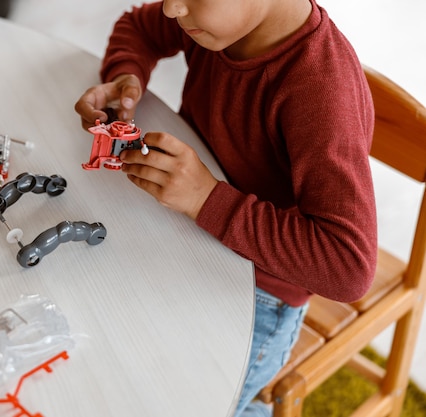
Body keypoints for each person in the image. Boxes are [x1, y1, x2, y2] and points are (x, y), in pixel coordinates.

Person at [74, 0, 377, 415]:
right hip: (184, 234)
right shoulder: (214, 21)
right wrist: (126, 76)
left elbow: (348, 267)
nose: (171, 10)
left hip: (260, 296)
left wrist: (206, 198)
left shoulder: (322, 89)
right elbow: (139, 27)